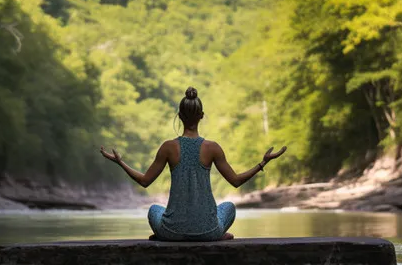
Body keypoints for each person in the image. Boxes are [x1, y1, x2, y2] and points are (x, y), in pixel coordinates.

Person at [100, 86, 287, 241]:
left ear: (179, 116)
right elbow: (236, 181)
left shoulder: (168, 147)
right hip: (208, 230)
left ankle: (166, 235)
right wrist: (262, 163)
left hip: (172, 231)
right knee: (229, 207)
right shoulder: (212, 148)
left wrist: (121, 163)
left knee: (154, 210)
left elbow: (144, 181)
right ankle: (216, 235)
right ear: (201, 116)